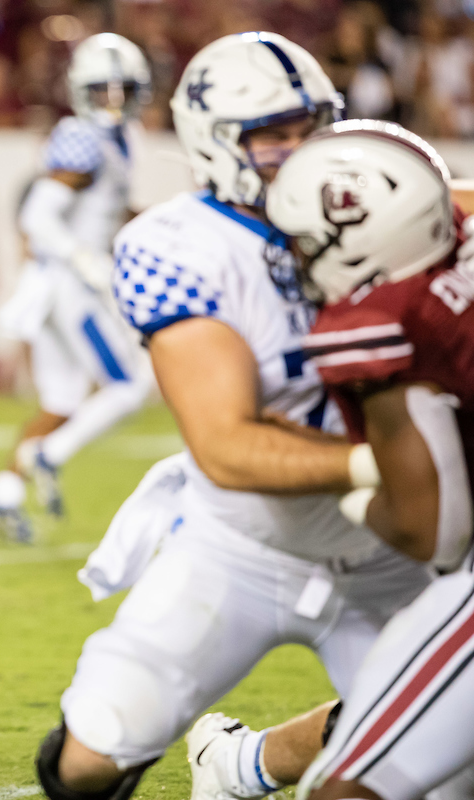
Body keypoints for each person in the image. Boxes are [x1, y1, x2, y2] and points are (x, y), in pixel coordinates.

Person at [33, 33, 434, 800]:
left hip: (390, 553)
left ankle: (241, 766)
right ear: (217, 145)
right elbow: (227, 444)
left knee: (444, 756)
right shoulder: (178, 245)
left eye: (312, 126)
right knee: (88, 762)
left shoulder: (390, 209)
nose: (302, 150)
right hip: (239, 546)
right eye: (274, 135)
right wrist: (390, 459)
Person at [191, 121, 474, 800]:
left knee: (351, 789)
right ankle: (240, 764)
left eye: (307, 243)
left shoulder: (373, 324)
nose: (297, 260)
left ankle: (238, 765)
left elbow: (432, 528)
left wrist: (355, 476)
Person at [0, 33, 154, 542]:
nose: (113, 102)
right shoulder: (82, 137)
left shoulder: (117, 142)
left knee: (62, 401)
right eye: (103, 91)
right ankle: (47, 456)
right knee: (129, 386)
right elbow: (38, 215)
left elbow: (109, 211)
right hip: (70, 286)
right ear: (81, 91)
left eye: (122, 91)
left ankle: (1, 496)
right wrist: (84, 258)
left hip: (63, 285)